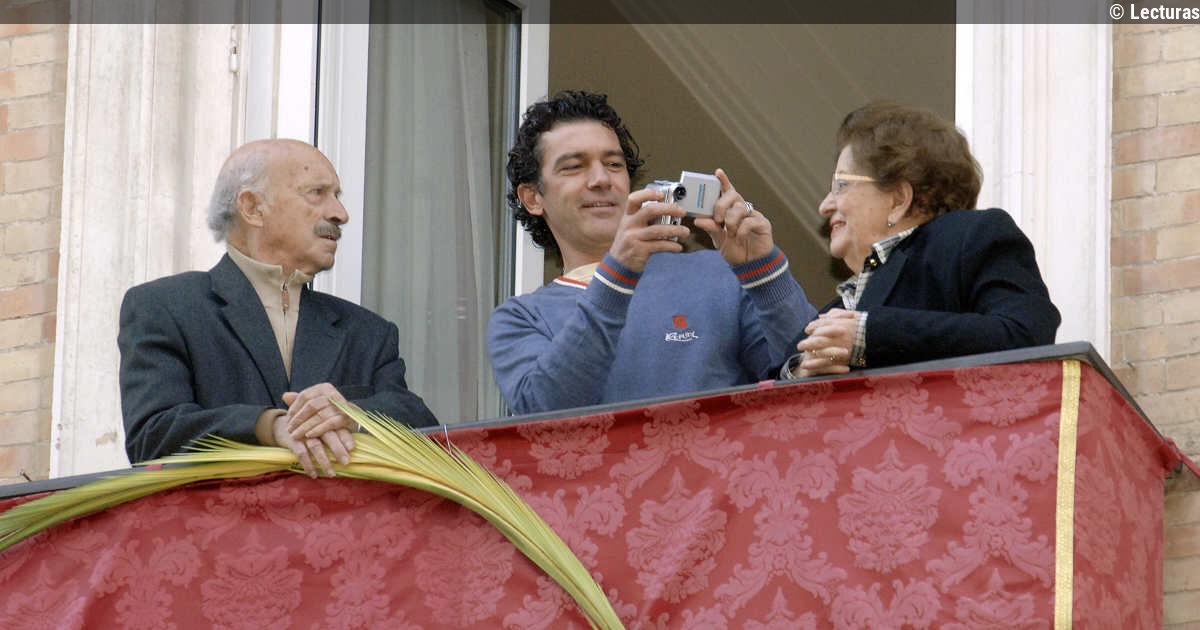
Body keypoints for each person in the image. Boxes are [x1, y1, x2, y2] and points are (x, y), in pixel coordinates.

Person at [118, 139, 437, 475]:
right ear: (252, 207)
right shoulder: (167, 307)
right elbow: (153, 437)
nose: (340, 214)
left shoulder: (368, 331)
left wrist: (353, 416)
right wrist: (268, 426)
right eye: (317, 193)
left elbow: (423, 429)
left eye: (337, 196)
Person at [487, 90, 818, 414]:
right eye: (574, 166)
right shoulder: (520, 319)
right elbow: (545, 416)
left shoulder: (718, 272)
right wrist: (618, 275)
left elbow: (814, 381)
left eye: (614, 164)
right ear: (533, 198)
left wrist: (764, 272)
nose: (601, 179)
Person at [785, 101, 1061, 378]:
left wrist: (867, 336)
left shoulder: (973, 236)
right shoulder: (843, 305)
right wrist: (803, 368)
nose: (824, 206)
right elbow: (778, 374)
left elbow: (1025, 334)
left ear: (898, 199)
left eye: (841, 185)